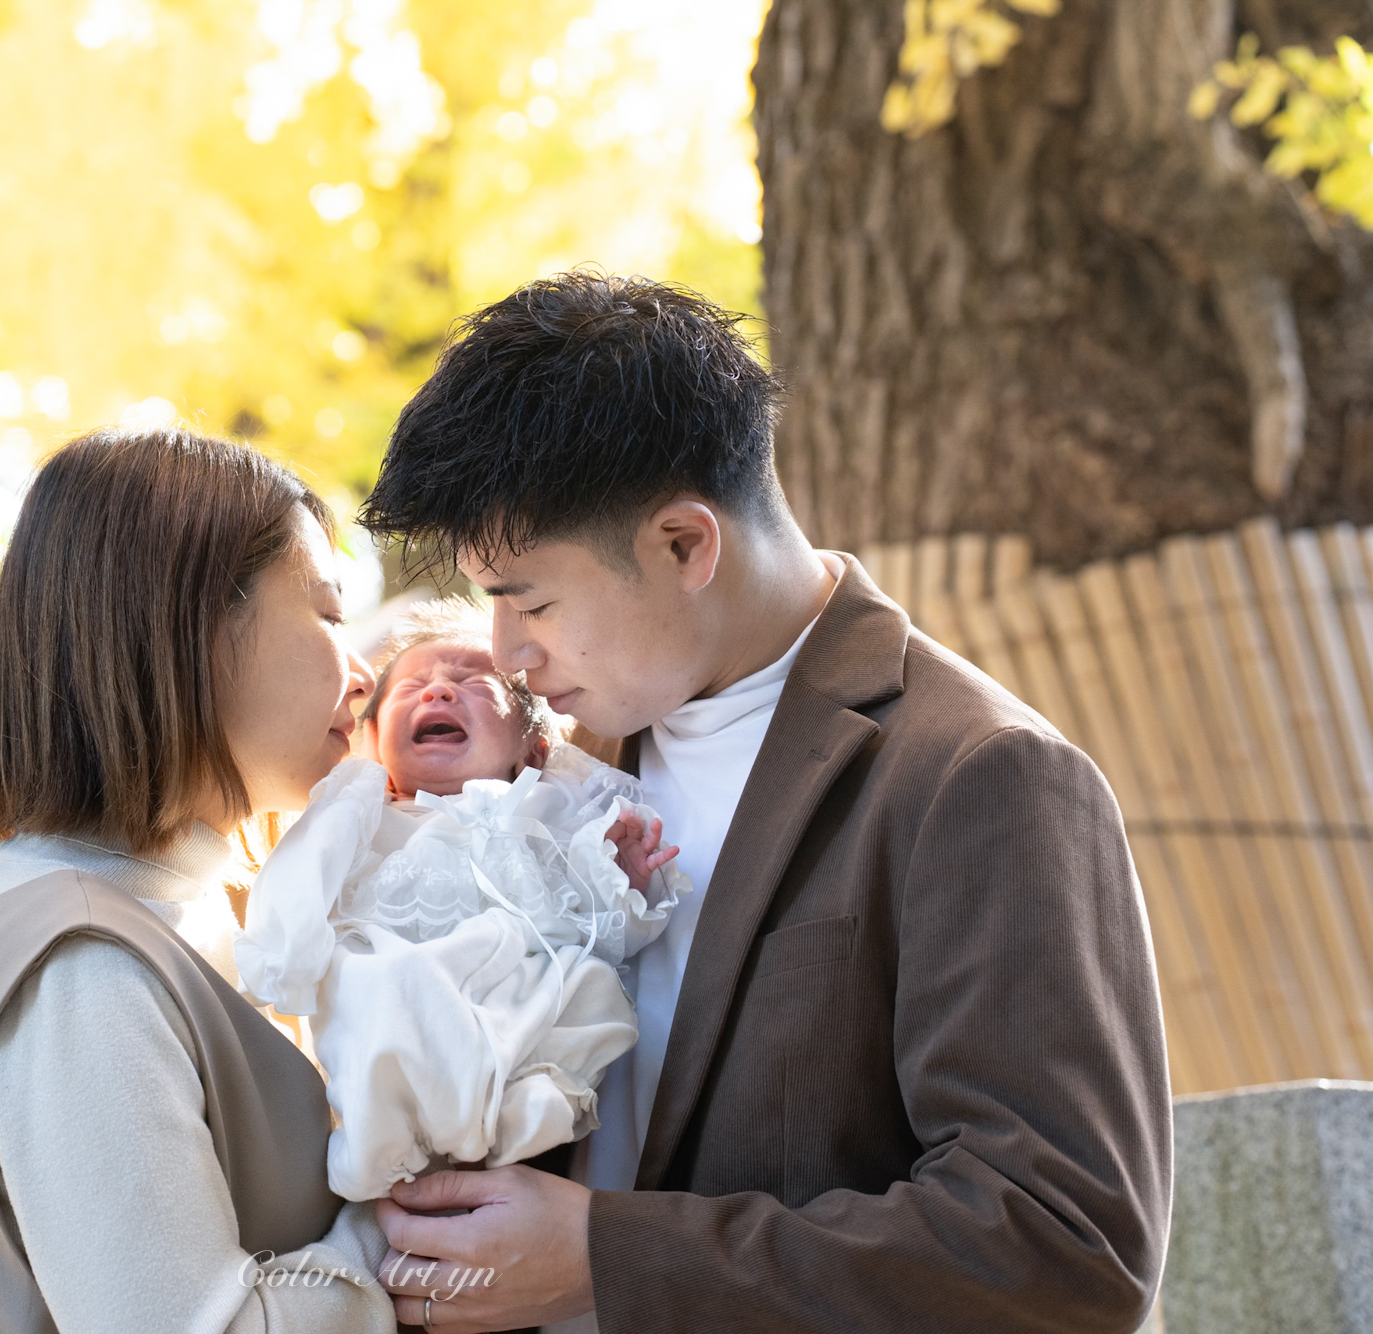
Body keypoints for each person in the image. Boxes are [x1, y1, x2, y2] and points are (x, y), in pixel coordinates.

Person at [354, 272, 1172, 1333]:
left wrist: (609, 1257)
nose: (506, 653)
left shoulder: (977, 774)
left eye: (533, 602)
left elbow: (1063, 1243)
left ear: (685, 544)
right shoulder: (561, 762)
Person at [0, 427, 398, 1333]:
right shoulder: (79, 967)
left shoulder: (168, 904)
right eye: (328, 615)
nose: (362, 674)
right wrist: (401, 1220)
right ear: (190, 629)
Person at [235, 597, 691, 1202]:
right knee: (374, 988)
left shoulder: (550, 813)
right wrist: (282, 958)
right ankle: (380, 1144)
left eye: (474, 682)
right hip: (395, 988)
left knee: (592, 987)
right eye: (411, 686)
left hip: (517, 1021)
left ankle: (523, 1112)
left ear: (533, 750)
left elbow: (602, 935)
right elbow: (302, 869)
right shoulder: (364, 808)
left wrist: (619, 877)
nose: (438, 691)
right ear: (374, 744)